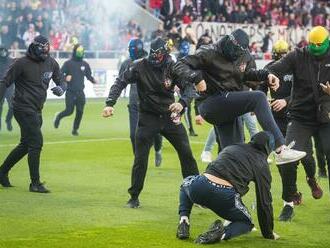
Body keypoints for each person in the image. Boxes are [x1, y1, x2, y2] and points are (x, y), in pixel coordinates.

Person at [174, 28, 306, 165]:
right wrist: (196, 78)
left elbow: (249, 74)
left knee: (234, 156)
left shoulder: (244, 54)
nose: (237, 55)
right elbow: (179, 65)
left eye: (241, 53)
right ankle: (280, 149)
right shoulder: (209, 51)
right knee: (259, 97)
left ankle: (220, 182)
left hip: (229, 105)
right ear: (230, 44)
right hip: (210, 103)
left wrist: (267, 75)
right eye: (236, 52)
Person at [102, 38, 200, 208]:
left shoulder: (173, 65)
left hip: (170, 115)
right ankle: (134, 197)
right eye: (152, 56)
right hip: (147, 117)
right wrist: (110, 103)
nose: (155, 60)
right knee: (140, 159)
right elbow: (120, 81)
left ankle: (198, 194)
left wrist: (182, 103)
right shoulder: (139, 66)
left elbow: (189, 88)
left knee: (186, 154)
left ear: (165, 54)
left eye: (158, 57)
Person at [267, 26, 330, 221]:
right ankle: (288, 202)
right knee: (287, 160)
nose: (316, 48)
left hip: (327, 117)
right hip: (301, 117)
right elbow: (273, 68)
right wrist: (268, 77)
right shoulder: (297, 56)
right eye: (312, 44)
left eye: (319, 45)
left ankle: (312, 180)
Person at [176, 131, 280, 244]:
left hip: (201, 186)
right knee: (246, 223)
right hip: (225, 196)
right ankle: (221, 234)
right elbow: (264, 201)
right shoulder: (262, 165)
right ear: (269, 147)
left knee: (186, 182)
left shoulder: (233, 146)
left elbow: (212, 167)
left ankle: (184, 220)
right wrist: (268, 232)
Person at [0, 35, 67, 193]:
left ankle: (2, 172)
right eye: (42, 49)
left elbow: (61, 80)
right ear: (34, 47)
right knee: (36, 142)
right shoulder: (21, 63)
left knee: (26, 144)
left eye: (47, 49)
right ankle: (35, 183)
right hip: (22, 108)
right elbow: (5, 82)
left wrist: (62, 88)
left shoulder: (51, 62)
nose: (45, 52)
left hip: (37, 109)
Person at [121, 38, 163, 167]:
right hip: (133, 104)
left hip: (150, 104)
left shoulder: (149, 60)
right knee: (133, 134)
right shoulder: (126, 63)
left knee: (156, 132)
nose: (130, 52)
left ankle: (157, 150)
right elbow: (121, 80)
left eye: (132, 50)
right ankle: (138, 161)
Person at [54, 44, 97, 136]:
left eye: (81, 52)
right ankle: (58, 117)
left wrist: (93, 80)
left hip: (80, 92)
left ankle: (75, 129)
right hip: (70, 92)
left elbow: (89, 76)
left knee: (80, 112)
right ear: (75, 52)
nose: (80, 54)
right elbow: (59, 75)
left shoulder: (85, 64)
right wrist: (65, 78)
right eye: (78, 52)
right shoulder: (68, 63)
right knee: (69, 111)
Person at [177, 40, 197, 137]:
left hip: (188, 86)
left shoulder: (184, 58)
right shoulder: (181, 59)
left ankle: (172, 122)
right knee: (186, 108)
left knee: (185, 108)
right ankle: (190, 129)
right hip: (182, 86)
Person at [0, 46, 14, 131]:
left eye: (4, 50)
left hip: (10, 87)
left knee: (13, 106)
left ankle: (8, 120)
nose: (3, 52)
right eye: (1, 50)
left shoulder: (11, 61)